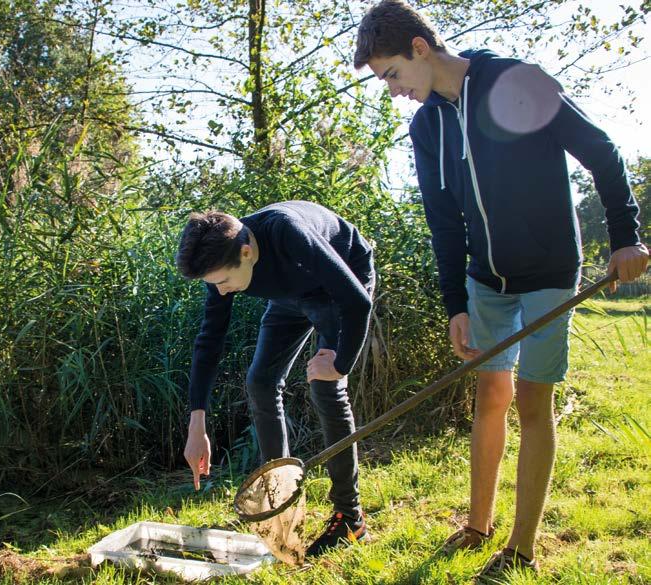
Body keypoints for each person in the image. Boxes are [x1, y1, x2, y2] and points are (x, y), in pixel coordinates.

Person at [354, 0, 647, 579]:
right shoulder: (426, 126)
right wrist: (455, 304)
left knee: (535, 403)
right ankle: (478, 522)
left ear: (419, 48)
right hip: (485, 281)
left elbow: (602, 152)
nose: (393, 91)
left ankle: (521, 545)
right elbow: (442, 220)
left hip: (548, 274)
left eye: (391, 75)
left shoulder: (516, 83)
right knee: (491, 394)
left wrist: (624, 239)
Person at [176, 200, 376, 557]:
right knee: (261, 382)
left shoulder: (286, 231)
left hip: (340, 285)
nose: (220, 290)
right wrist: (197, 421)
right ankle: (280, 499)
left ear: (248, 251)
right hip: (289, 296)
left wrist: (340, 365)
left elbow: (357, 301)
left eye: (222, 281)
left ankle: (350, 517)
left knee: (326, 387)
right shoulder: (221, 260)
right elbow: (209, 341)